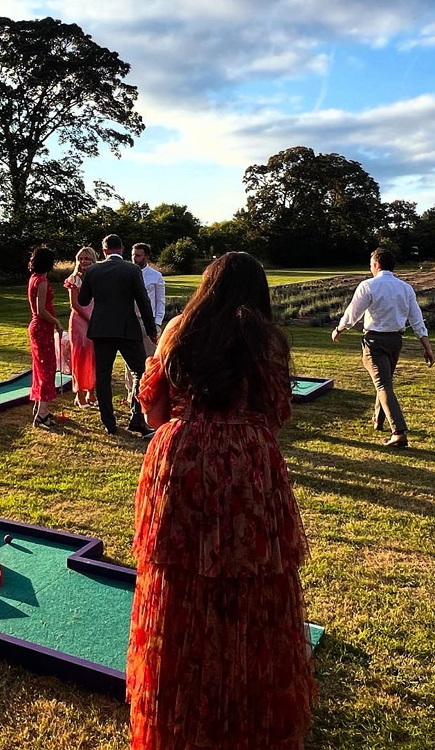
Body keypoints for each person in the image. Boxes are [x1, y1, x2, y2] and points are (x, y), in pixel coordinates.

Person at [128, 251, 314, 750]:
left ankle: (180, 716)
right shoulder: (268, 341)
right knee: (251, 581)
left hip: (180, 459)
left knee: (179, 580)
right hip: (248, 464)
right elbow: (277, 413)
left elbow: (152, 413)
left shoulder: (176, 335)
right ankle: (247, 713)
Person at [332, 247, 435, 449]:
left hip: (374, 342)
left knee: (382, 385)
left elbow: (353, 314)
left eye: (371, 264)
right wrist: (427, 347)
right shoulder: (406, 288)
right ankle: (378, 421)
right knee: (384, 382)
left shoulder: (368, 285)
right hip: (395, 341)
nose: (370, 268)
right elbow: (416, 319)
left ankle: (398, 432)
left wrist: (339, 329)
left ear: (377, 265)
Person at [77, 234, 157, 436]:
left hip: (101, 329)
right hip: (126, 328)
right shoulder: (132, 269)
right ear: (121, 249)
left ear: (104, 251)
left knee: (103, 375)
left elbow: (84, 300)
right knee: (140, 371)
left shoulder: (93, 270)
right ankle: (137, 418)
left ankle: (109, 423)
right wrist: (151, 331)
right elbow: (143, 301)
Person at [124, 242, 166, 400]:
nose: (134, 258)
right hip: (129, 321)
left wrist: (157, 323)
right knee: (130, 359)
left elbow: (160, 301)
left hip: (148, 322)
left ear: (146, 257)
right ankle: (131, 393)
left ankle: (147, 392)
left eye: (138, 255)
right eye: (133, 255)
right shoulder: (126, 273)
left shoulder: (156, 276)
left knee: (149, 359)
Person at [27, 246, 63, 429]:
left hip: (38, 328)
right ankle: (42, 414)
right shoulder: (41, 282)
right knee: (47, 369)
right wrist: (56, 321)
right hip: (41, 328)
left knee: (41, 367)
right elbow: (41, 311)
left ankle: (39, 408)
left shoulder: (34, 278)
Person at [64, 247, 99, 409]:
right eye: (81, 259)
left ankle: (91, 392)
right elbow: (74, 304)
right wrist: (90, 319)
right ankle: (79, 394)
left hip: (96, 320)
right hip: (79, 321)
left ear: (93, 260)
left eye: (87, 259)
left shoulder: (98, 277)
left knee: (94, 357)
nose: (84, 261)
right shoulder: (73, 279)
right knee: (79, 357)